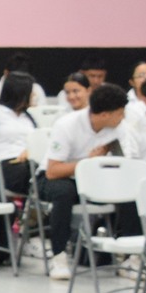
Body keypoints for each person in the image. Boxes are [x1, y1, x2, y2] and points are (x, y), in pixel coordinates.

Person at [40, 82, 132, 282]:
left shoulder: (119, 128)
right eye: (120, 112)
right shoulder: (67, 125)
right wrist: (88, 163)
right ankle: (59, 256)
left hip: (95, 179)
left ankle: (131, 258)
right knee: (64, 193)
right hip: (60, 177)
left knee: (130, 193)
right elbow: (53, 171)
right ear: (105, 115)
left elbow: (124, 163)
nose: (123, 117)